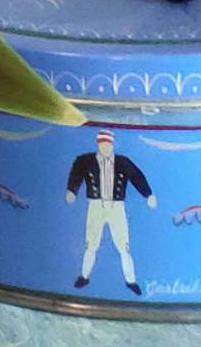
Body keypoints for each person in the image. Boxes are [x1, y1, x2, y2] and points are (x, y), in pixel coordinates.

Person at [66, 124, 153, 293]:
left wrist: (148, 194)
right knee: (91, 244)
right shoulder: (85, 160)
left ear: (112, 145)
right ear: (98, 144)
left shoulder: (123, 162)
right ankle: (84, 276)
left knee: (123, 245)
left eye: (108, 144)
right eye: (102, 144)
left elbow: (137, 176)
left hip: (116, 207)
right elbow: (76, 174)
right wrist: (72, 190)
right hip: (95, 206)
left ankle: (131, 281)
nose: (105, 147)